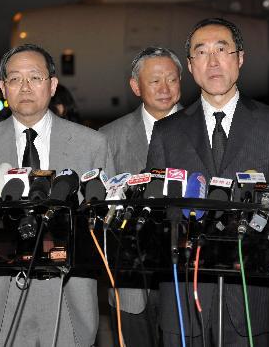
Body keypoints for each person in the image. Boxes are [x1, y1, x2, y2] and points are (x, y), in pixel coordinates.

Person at [146, 18, 269, 346]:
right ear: (191, 66)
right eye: (201, 53)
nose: (213, 61)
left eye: (222, 50)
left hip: (253, 298)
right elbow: (156, 214)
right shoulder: (167, 132)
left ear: (240, 59)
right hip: (184, 304)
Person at [0, 43, 115, 347]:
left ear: (53, 85)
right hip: (3, 300)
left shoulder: (91, 144)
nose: (25, 87)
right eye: (15, 79)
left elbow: (104, 227)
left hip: (69, 297)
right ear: (3, 88)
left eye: (35, 77)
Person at [99, 46, 183, 345]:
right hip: (130, 282)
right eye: (155, 80)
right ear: (136, 87)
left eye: (172, 80)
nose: (165, 88)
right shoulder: (108, 138)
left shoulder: (199, 130)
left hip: (184, 276)